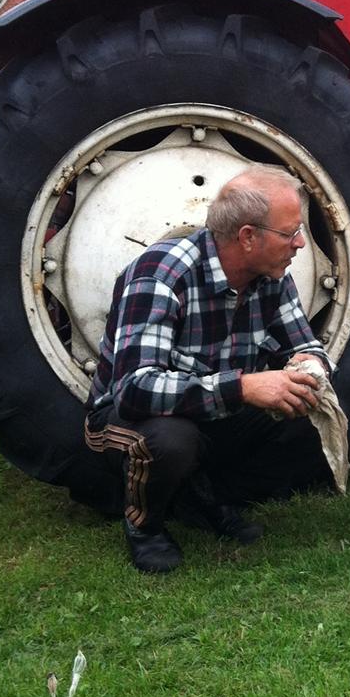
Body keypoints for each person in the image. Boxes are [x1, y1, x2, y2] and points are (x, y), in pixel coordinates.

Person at [85, 165, 331, 574]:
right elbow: (134, 389)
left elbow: (304, 344)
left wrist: (310, 366)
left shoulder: (273, 276)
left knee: (307, 413)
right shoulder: (161, 272)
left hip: (214, 413)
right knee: (170, 439)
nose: (301, 243)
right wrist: (243, 387)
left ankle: (202, 496)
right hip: (124, 421)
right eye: (290, 234)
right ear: (248, 237)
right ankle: (145, 525)